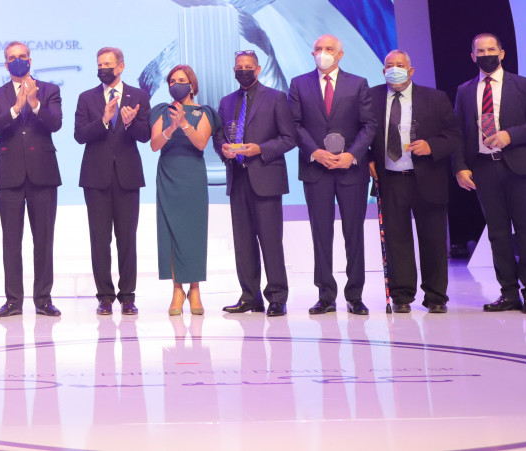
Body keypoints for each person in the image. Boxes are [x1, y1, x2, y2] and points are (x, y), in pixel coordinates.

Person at [452, 33, 526, 314]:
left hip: (519, 167)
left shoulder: (522, 84)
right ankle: (508, 293)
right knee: (497, 234)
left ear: (502, 53)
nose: (486, 55)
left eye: (491, 49)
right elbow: (458, 132)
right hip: (483, 168)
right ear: (473, 56)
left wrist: (510, 135)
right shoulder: (464, 90)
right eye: (480, 51)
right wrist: (460, 166)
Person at [288, 34, 377, 315]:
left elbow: (369, 125)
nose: (322, 53)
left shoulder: (358, 83)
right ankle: (325, 295)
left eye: (328, 49)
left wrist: (352, 155)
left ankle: (355, 295)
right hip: (317, 169)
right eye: (318, 48)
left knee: (354, 233)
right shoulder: (299, 84)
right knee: (321, 233)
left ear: (340, 54)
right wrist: (315, 152)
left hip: (351, 169)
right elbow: (294, 124)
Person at [369, 50, 461, 313]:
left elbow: (454, 135)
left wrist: (432, 146)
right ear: (383, 71)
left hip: (428, 177)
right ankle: (401, 296)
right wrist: (368, 159)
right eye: (389, 65)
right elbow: (362, 133)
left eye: (400, 65)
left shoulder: (435, 98)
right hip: (391, 179)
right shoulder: (371, 97)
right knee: (396, 240)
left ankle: (436, 297)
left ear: (411, 71)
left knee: (433, 239)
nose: (394, 69)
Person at [0, 41, 63, 318]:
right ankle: (13, 301)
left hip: (43, 173)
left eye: (22, 56)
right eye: (12, 58)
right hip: (10, 175)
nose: (18, 60)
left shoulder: (49, 90)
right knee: (11, 241)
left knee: (44, 240)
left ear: (30, 60)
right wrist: (15, 108)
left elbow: (56, 123)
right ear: (6, 64)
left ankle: (43, 299)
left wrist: (34, 104)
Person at [215, 51, 297, 317]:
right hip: (238, 179)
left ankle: (277, 298)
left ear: (258, 69)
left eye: (248, 67)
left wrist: (259, 149)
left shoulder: (276, 98)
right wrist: (223, 149)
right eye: (239, 67)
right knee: (243, 243)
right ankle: (250, 296)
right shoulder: (227, 101)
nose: (243, 70)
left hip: (266, 179)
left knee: (271, 241)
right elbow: (219, 136)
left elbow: (289, 138)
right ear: (234, 70)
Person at [74, 46, 151, 316]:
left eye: (107, 64)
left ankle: (127, 296)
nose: (103, 69)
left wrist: (130, 123)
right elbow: (79, 135)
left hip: (127, 177)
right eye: (99, 65)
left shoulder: (138, 96)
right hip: (96, 179)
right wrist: (104, 120)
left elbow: (145, 135)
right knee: (99, 240)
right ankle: (104, 297)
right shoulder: (86, 98)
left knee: (127, 239)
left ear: (120, 67)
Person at [150, 64, 216, 315]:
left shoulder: (204, 112)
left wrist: (184, 123)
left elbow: (200, 143)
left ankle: (195, 289)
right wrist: (170, 128)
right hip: (169, 175)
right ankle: (177, 289)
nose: (175, 84)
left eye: (181, 80)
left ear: (191, 85)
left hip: (193, 177)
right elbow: (154, 145)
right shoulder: (161, 111)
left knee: (193, 232)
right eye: (172, 81)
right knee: (171, 232)